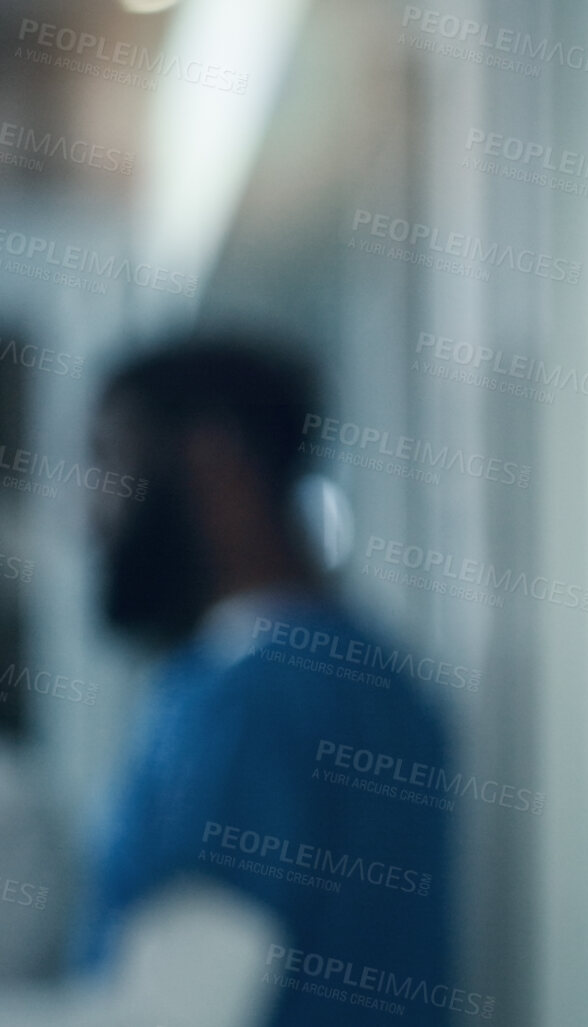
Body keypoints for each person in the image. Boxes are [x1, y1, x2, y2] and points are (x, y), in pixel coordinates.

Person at [0, 336, 454, 1026]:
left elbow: (168, 1014)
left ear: (214, 467)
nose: (86, 517)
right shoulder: (384, 682)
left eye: (108, 462)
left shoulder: (248, 703)